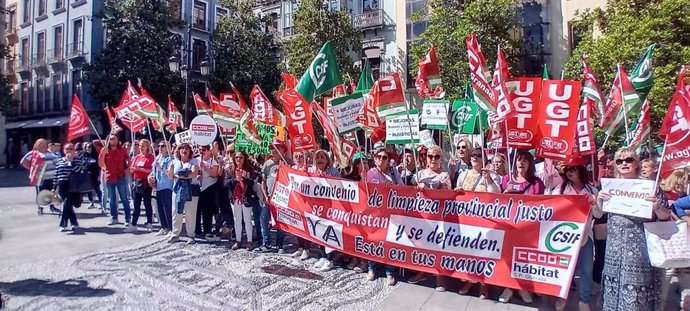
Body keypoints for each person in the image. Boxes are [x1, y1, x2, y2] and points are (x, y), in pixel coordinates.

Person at [597, 147, 672, 311]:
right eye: (619, 161)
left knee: (637, 291)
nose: (624, 163)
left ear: (636, 163)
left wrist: (657, 207)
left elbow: (665, 216)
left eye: (628, 160)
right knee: (612, 288)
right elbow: (598, 214)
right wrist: (599, 201)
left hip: (639, 251)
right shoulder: (609, 186)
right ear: (615, 165)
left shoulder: (650, 188)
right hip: (614, 251)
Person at [550, 157, 600, 311]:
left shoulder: (593, 190)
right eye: (567, 170)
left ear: (580, 170)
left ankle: (584, 300)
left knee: (586, 269)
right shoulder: (560, 189)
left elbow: (598, 215)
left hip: (585, 236)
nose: (569, 172)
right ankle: (561, 298)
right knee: (565, 269)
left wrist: (595, 203)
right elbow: (550, 207)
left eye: (573, 169)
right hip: (564, 236)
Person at [498, 151, 545, 304]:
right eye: (519, 159)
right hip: (509, 225)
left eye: (525, 160)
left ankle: (521, 288)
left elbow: (541, 204)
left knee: (523, 258)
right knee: (508, 257)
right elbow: (497, 201)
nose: (521, 163)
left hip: (528, 227)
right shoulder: (506, 179)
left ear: (530, 165)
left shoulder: (537, 183)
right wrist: (505, 193)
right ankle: (509, 287)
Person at [408, 146, 453, 291]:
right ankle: (422, 272)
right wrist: (417, 187)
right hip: (421, 216)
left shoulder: (444, 175)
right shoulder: (419, 174)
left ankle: (440, 278)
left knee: (437, 247)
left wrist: (433, 190)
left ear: (441, 159)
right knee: (421, 246)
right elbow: (406, 191)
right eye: (430, 156)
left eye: (437, 156)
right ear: (426, 158)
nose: (433, 159)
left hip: (438, 217)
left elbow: (448, 195)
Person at [366, 146, 401, 286]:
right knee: (373, 240)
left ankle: (390, 272)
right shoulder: (370, 173)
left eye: (384, 157)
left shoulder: (394, 172)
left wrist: (392, 185)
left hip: (391, 214)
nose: (381, 159)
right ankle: (371, 268)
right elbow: (367, 190)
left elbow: (403, 188)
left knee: (389, 241)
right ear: (374, 159)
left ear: (388, 160)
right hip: (375, 214)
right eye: (378, 157)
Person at [308, 149, 341, 272]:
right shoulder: (311, 171)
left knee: (329, 233)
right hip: (317, 208)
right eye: (317, 157)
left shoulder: (333, 171)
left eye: (322, 157)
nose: (320, 159)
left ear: (327, 159)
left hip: (331, 207)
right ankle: (322, 255)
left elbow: (340, 188)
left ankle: (330, 259)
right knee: (318, 231)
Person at [258, 139, 293, 253]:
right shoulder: (267, 163)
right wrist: (265, 195)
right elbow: (263, 181)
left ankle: (279, 244)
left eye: (277, 147)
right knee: (264, 219)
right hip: (269, 197)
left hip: (282, 198)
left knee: (280, 222)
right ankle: (266, 243)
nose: (273, 150)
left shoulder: (288, 162)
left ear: (282, 149)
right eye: (272, 147)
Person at [167, 143, 199, 244]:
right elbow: (170, 177)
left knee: (190, 213)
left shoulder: (194, 161)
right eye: (182, 148)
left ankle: (191, 235)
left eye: (186, 149)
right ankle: (175, 234)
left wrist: (179, 176)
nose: (184, 150)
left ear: (189, 151)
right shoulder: (174, 161)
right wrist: (171, 169)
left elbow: (194, 173)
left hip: (191, 190)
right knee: (176, 212)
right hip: (177, 190)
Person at [99, 134, 132, 226]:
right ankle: (114, 218)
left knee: (124, 198)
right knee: (112, 199)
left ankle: (128, 218)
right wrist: (103, 153)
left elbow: (129, 159)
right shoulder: (104, 150)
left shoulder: (121, 150)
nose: (113, 140)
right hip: (109, 177)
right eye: (111, 139)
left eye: (115, 139)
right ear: (108, 140)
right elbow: (101, 164)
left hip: (120, 176)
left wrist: (127, 169)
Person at [229, 151, 260, 250]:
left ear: (244, 159)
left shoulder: (249, 170)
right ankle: (238, 241)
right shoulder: (231, 170)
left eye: (241, 157)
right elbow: (226, 183)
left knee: (247, 220)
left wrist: (244, 178)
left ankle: (249, 241)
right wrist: (235, 180)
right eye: (236, 157)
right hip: (235, 198)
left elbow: (252, 182)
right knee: (237, 220)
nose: (238, 159)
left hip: (246, 198)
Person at [21, 138, 60, 215]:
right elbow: (23, 162)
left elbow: (56, 162)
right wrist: (32, 168)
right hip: (40, 178)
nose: (43, 145)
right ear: (37, 145)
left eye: (44, 143)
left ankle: (52, 208)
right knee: (40, 193)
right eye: (41, 144)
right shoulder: (32, 153)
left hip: (52, 177)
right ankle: (40, 209)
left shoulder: (50, 153)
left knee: (51, 193)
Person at [52, 143, 83, 232]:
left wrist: (71, 162)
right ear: (63, 150)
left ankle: (63, 223)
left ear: (74, 150)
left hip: (73, 185)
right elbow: (57, 174)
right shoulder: (59, 161)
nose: (69, 150)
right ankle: (74, 223)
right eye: (67, 149)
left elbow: (79, 171)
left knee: (67, 203)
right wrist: (54, 187)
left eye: (71, 149)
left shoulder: (77, 160)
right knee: (67, 205)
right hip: (62, 185)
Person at [127, 139, 155, 233]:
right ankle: (134, 224)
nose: (141, 147)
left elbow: (151, 170)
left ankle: (150, 223)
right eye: (139, 145)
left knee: (147, 204)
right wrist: (132, 169)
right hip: (137, 182)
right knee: (136, 205)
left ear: (147, 146)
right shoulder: (137, 157)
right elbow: (132, 169)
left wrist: (139, 169)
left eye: (143, 145)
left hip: (146, 183)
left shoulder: (151, 157)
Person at [196, 145, 221, 241]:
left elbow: (215, 174)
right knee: (198, 209)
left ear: (208, 151)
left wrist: (205, 168)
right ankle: (197, 229)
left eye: (204, 150)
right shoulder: (196, 160)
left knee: (208, 210)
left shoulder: (212, 161)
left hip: (210, 187)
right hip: (199, 186)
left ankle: (207, 230)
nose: (201, 151)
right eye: (200, 150)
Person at [290, 151, 312, 260]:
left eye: (301, 156)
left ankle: (306, 249)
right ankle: (300, 247)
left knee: (306, 226)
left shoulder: (311, 169)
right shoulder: (292, 168)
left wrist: (306, 172)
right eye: (296, 156)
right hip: (296, 201)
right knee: (297, 226)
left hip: (307, 203)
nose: (298, 158)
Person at [150, 141, 174, 236]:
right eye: (159, 146)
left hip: (167, 186)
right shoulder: (157, 158)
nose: (160, 147)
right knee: (159, 208)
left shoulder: (170, 159)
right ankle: (164, 226)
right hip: (158, 186)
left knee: (167, 208)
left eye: (163, 146)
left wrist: (161, 169)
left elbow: (170, 173)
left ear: (168, 147)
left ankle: (171, 227)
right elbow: (153, 171)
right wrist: (150, 177)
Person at [81, 143, 103, 210]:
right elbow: (82, 165)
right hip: (87, 175)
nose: (88, 148)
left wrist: (99, 176)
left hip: (95, 174)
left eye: (89, 147)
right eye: (86, 147)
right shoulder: (84, 156)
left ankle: (101, 202)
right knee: (88, 189)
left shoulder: (96, 155)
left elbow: (99, 167)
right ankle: (91, 202)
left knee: (97, 189)